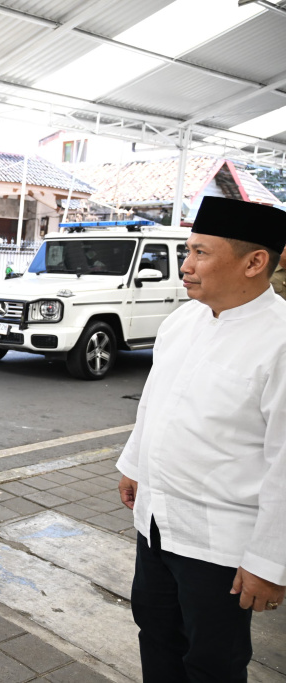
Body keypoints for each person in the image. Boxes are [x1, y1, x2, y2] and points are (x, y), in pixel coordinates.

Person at [116, 196, 286, 683]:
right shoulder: (182, 321)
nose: (185, 267)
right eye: (187, 251)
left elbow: (284, 463)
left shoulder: (279, 341)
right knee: (157, 634)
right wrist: (134, 465)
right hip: (156, 524)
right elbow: (153, 403)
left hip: (220, 547)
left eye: (200, 253)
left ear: (254, 262)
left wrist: (269, 562)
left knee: (212, 663)